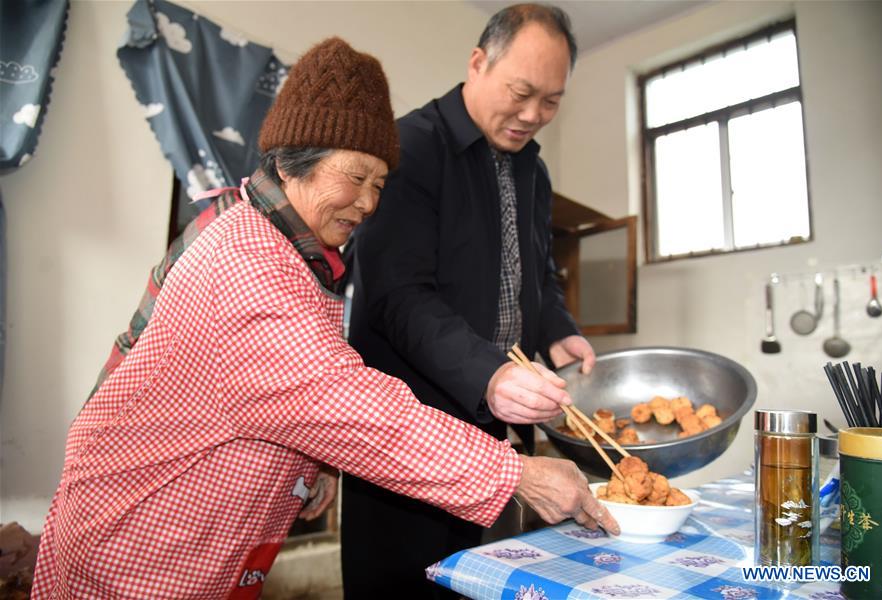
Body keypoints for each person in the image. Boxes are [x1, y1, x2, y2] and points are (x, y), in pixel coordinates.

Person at [31, 37, 615, 599]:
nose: (368, 203)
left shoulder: (282, 246)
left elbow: (282, 396)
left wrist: (315, 465)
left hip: (185, 540)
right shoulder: (247, 261)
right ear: (291, 165)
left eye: (379, 184)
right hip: (140, 552)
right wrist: (518, 475)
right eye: (356, 178)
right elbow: (337, 398)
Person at [342, 4, 597, 597]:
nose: (533, 115)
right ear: (478, 62)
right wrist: (489, 374)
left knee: (498, 581)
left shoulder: (534, 170)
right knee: (409, 581)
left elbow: (536, 272)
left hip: (502, 432)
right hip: (413, 431)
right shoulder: (409, 147)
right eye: (521, 91)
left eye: (552, 101)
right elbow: (397, 296)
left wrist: (558, 326)